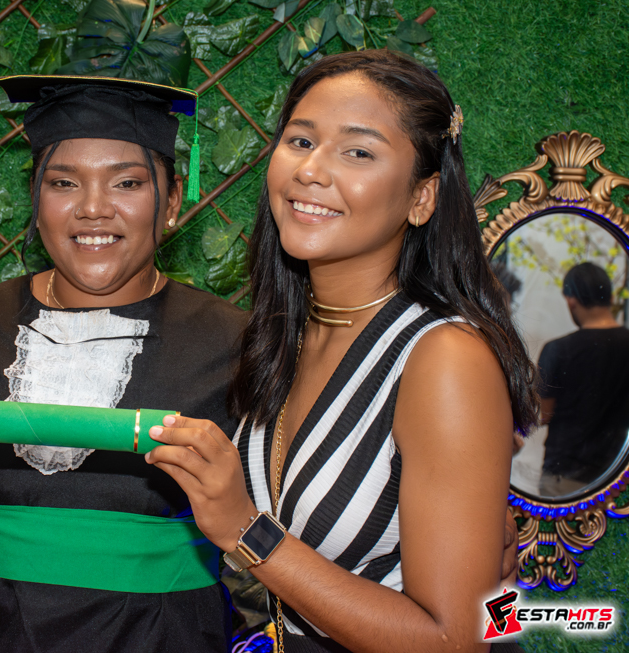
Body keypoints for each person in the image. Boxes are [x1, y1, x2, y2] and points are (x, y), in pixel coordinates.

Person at [144, 50, 537, 652]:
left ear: (423, 197)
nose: (310, 170)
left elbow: (457, 640)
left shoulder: (443, 359)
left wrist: (246, 529)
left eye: (358, 152)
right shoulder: (283, 335)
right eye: (300, 141)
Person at [0, 75, 248, 652]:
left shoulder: (234, 343)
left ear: (172, 201)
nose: (94, 208)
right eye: (64, 182)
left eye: (127, 182)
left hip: (163, 635)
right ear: (35, 198)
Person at [538, 262, 629, 489]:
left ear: (571, 300)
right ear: (610, 298)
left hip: (564, 476)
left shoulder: (557, 349)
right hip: (617, 473)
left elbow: (544, 414)